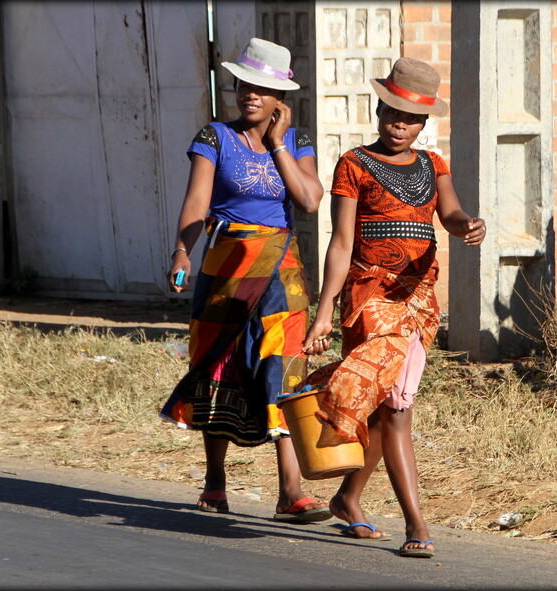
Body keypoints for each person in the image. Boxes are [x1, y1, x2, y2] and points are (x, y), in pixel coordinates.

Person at [301, 57, 486, 558]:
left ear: (424, 124)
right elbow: (340, 244)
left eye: (410, 119)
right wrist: (323, 312)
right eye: (391, 114)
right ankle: (416, 523)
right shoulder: (354, 165)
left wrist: (468, 223)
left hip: (419, 300)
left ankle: (348, 498)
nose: (398, 126)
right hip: (370, 299)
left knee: (390, 408)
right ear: (379, 112)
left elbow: (448, 213)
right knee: (398, 412)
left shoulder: (433, 165)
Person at [159, 38, 330, 522]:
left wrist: (278, 144)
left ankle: (291, 491)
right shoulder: (215, 137)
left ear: (281, 99)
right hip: (226, 270)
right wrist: (181, 251)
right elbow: (197, 202)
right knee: (216, 363)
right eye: (243, 84)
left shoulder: (298, 143)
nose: (249, 94)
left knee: (284, 368)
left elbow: (311, 201)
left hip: (281, 270)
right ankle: (215, 480)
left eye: (262, 88)